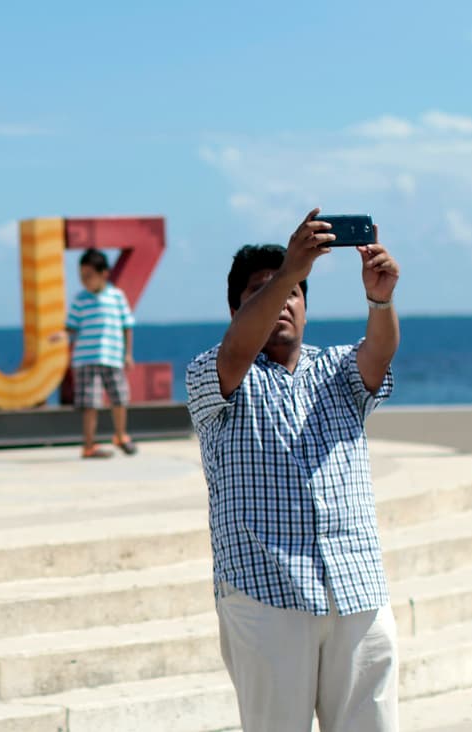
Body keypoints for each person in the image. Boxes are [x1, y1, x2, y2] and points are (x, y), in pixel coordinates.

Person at [184, 208, 401, 731]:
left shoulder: (337, 369)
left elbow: (379, 353)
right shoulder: (214, 374)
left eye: (294, 294)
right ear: (236, 309)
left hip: (356, 586)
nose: (283, 301)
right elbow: (236, 350)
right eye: (262, 293)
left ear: (306, 308)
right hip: (267, 594)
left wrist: (380, 300)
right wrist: (288, 272)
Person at [65, 248, 137, 458]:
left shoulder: (116, 297)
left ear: (104, 273)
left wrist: (128, 354)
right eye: (82, 276)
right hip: (86, 359)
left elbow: (127, 326)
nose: (84, 281)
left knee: (120, 398)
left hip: (112, 357)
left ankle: (120, 435)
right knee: (90, 404)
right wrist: (61, 335)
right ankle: (89, 445)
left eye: (89, 276)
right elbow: (71, 327)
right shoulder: (80, 299)